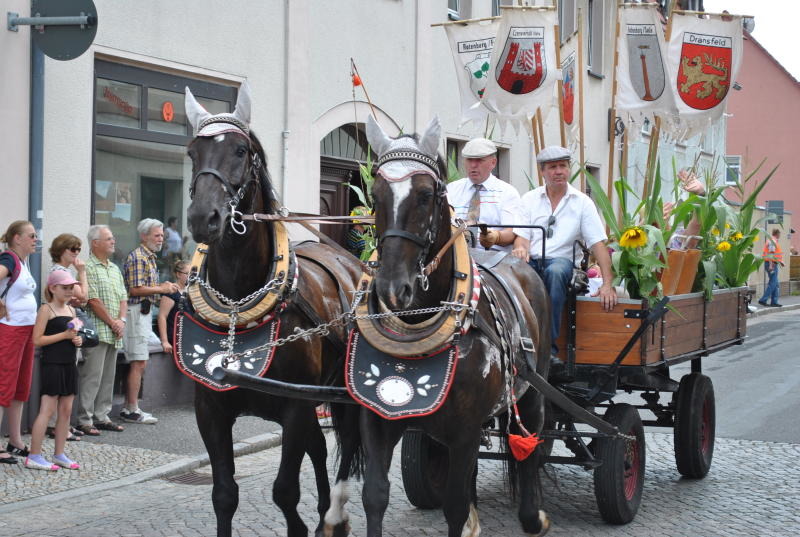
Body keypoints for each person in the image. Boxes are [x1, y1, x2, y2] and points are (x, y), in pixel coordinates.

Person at [513, 146, 617, 381]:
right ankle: (511, 341)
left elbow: (598, 244)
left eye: (563, 166)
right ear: (542, 172)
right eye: (552, 167)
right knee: (509, 274)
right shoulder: (529, 199)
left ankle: (546, 350)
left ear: (569, 169)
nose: (558, 172)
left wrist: (608, 284)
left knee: (556, 271)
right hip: (533, 260)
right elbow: (521, 237)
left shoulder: (582, 202)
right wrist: (520, 248)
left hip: (562, 265)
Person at [26, 270, 84, 471]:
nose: (69, 291)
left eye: (71, 288)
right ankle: (34, 455)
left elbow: (73, 335)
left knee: (66, 411)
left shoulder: (72, 310)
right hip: (52, 364)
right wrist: (64, 336)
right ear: (53, 288)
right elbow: (37, 340)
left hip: (69, 364)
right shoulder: (46, 310)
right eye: (65, 288)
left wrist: (77, 340)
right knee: (47, 410)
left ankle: (59, 453)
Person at [121, 218, 178, 424]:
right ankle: (131, 409)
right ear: (144, 236)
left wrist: (162, 286)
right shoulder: (138, 257)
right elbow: (135, 289)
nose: (161, 238)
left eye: (162, 235)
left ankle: (131, 406)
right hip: (136, 312)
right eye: (157, 235)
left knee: (140, 362)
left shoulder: (149, 257)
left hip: (143, 313)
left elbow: (145, 287)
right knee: (138, 362)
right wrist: (161, 289)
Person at [78, 225, 128, 436]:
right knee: (92, 377)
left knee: (108, 377)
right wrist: (112, 322)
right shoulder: (88, 267)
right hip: (99, 330)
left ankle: (102, 416)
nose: (113, 241)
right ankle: (84, 419)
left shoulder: (114, 268)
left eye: (112, 237)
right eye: (108, 238)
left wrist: (122, 320)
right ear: (95, 243)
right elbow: (93, 300)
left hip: (115, 331)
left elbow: (123, 297)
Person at [0, 221, 39, 463]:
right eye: (31, 236)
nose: (35, 239)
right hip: (10, 331)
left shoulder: (22, 262)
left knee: (20, 388)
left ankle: (15, 441)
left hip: (26, 331)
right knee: (3, 386)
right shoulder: (9, 259)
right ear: (17, 238)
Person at [46, 233, 89, 442]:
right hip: (62, 331)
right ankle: (57, 426)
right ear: (62, 250)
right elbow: (83, 296)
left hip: (69, 326)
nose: (76, 253)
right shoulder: (60, 271)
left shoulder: (63, 271)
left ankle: (63, 425)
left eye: (79, 249)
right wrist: (82, 272)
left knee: (68, 379)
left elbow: (80, 298)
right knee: (61, 382)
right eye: (73, 249)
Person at [447, 138, 522, 252]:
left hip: (493, 258)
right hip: (456, 256)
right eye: (469, 160)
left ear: (493, 162)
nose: (473, 165)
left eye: (479, 160)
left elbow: (513, 232)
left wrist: (497, 237)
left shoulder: (507, 193)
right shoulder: (451, 190)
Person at [157, 259, 189, 354]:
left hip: (188, 337)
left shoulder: (192, 292)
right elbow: (162, 316)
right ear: (178, 274)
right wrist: (165, 341)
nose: (191, 277)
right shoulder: (171, 293)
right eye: (188, 273)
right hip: (175, 338)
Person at [758, 228, 783, 308]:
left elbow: (774, 254)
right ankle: (763, 300)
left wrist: (780, 262)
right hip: (771, 264)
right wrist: (771, 265)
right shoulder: (773, 241)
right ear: (777, 233)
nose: (780, 235)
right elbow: (771, 254)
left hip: (773, 264)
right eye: (779, 234)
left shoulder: (772, 241)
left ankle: (774, 302)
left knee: (775, 284)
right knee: (773, 283)